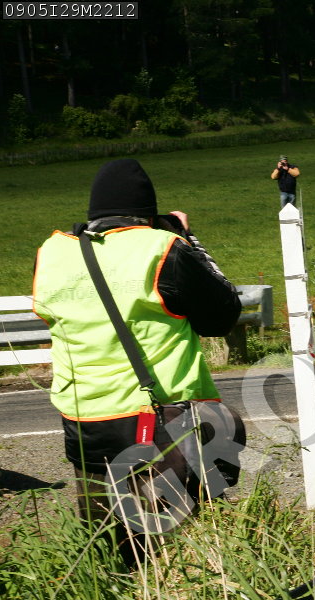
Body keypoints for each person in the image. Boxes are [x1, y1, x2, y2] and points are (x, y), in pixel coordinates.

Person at [32, 158, 243, 564]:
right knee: (177, 548)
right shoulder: (161, 248)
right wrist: (189, 239)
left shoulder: (52, 253)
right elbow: (222, 316)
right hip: (158, 420)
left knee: (109, 546)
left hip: (84, 422)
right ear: (148, 214)